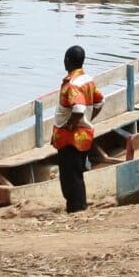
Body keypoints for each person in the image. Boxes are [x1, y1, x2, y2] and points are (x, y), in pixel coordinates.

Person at [51, 45, 104, 213]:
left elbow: (79, 109)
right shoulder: (87, 80)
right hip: (83, 136)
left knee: (70, 177)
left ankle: (76, 208)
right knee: (76, 173)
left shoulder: (72, 84)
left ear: (67, 61)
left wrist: (71, 124)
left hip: (70, 138)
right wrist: (88, 120)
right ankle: (79, 205)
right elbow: (100, 102)